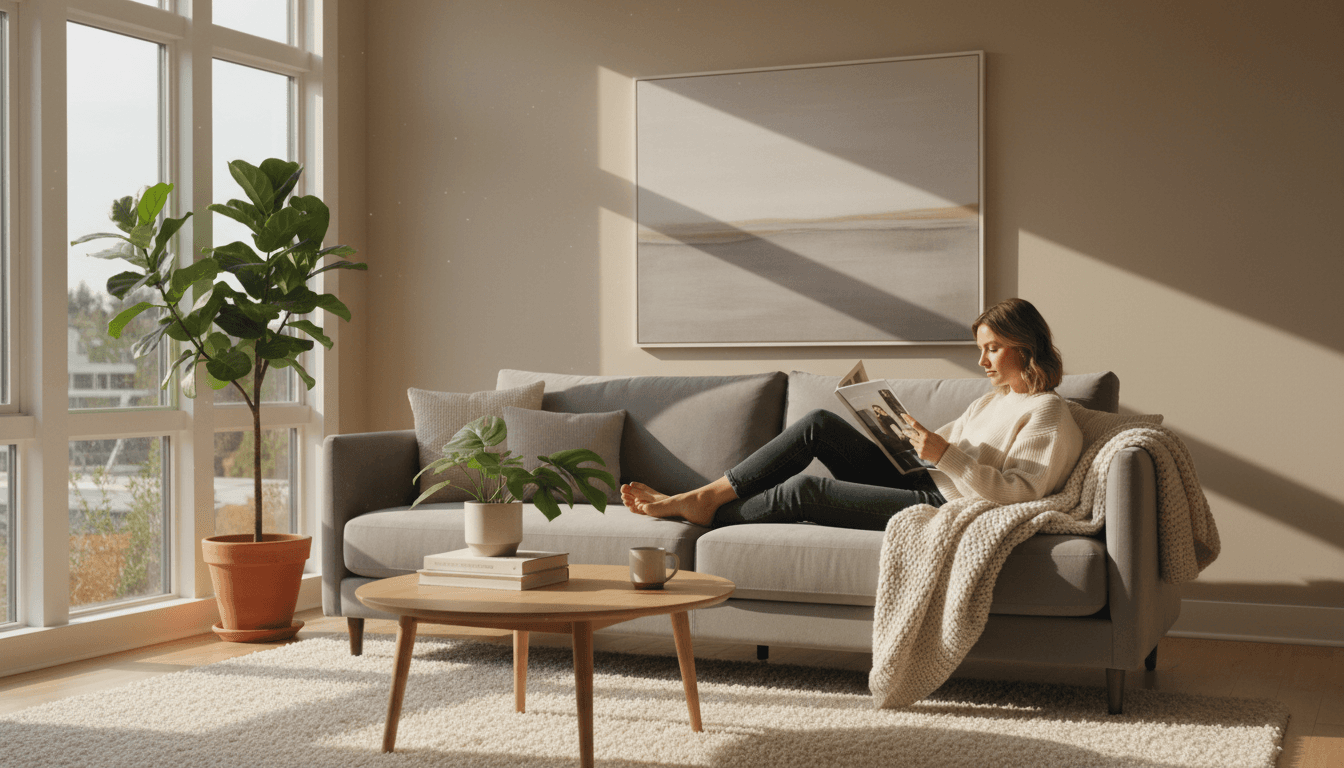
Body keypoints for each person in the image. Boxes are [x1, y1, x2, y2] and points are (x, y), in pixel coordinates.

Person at [620, 298, 1085, 531]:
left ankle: (707, 511)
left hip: (945, 505)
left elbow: (1019, 495)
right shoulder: (993, 399)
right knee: (819, 425)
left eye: (993, 349)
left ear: (1025, 347)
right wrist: (897, 435)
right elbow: (940, 447)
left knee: (806, 489)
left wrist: (946, 456)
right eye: (981, 349)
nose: (982, 361)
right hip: (922, 479)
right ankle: (707, 495)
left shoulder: (1047, 413)